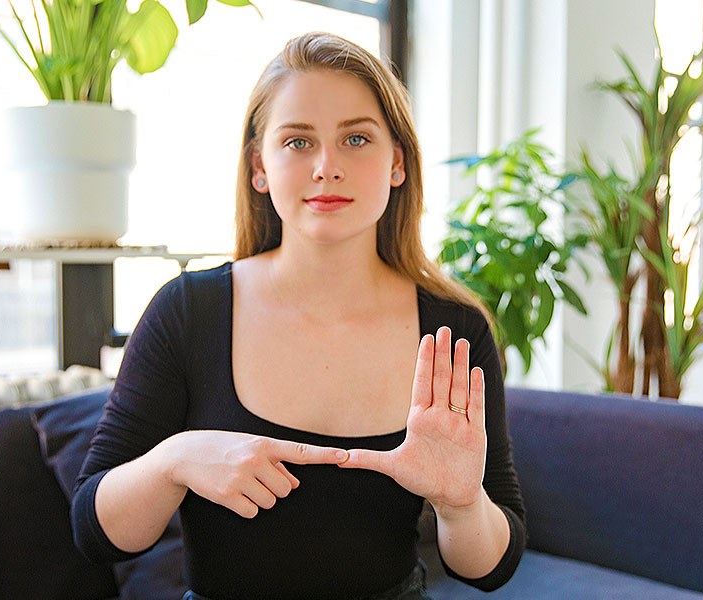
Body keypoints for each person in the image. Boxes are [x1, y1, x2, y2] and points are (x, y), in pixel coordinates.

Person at [71, 32, 526, 600]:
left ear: (397, 163)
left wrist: (462, 505)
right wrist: (174, 460)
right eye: (298, 142)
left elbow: (491, 566)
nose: (327, 167)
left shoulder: (455, 330)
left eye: (356, 138)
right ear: (259, 166)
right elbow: (98, 533)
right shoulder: (188, 312)